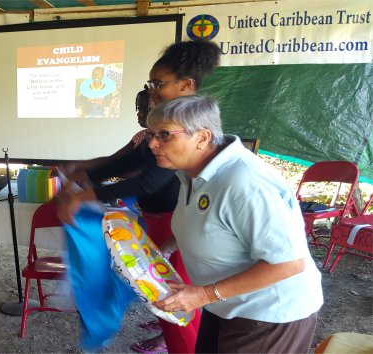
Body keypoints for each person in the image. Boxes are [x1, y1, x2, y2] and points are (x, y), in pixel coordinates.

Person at [57, 40, 221, 354]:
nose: (152, 91)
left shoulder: (187, 127)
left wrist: (87, 193)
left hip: (185, 228)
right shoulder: (163, 126)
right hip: (166, 223)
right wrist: (84, 175)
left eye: (158, 84)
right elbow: (130, 162)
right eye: (151, 84)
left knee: (177, 305)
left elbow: (148, 181)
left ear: (186, 85)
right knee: (164, 299)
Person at [148, 95, 323, 353]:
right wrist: (165, 248)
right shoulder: (194, 172)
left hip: (268, 316)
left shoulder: (245, 183)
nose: (152, 143)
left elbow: (287, 263)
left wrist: (202, 295)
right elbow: (208, 222)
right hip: (225, 303)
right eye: (151, 134)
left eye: (164, 135)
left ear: (202, 138)